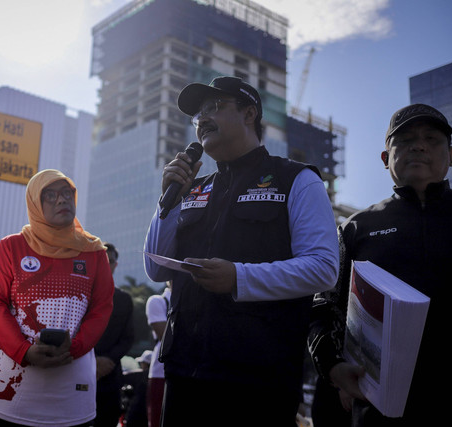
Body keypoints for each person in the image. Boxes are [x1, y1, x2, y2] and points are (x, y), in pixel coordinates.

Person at [143, 76, 339, 426]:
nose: (202, 118)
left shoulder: (296, 179)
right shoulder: (192, 187)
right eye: (198, 114)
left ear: (250, 113)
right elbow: (156, 269)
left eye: (215, 107)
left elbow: (323, 268)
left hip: (258, 379)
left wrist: (239, 277)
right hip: (184, 373)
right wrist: (167, 202)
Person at [308, 103, 452, 426]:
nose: (418, 145)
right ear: (385, 158)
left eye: (431, 139)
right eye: (404, 140)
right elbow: (321, 307)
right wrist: (333, 366)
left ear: (451, 155)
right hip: (380, 408)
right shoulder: (356, 228)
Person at [0, 169, 114, 426]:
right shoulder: (12, 246)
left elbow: (101, 309)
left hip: (71, 387)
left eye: (66, 193)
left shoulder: (94, 252)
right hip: (10, 387)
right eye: (49, 195)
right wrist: (24, 351)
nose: (62, 200)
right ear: (34, 204)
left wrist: (72, 349)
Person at [94, 242, 135, 427]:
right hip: (80, 372)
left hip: (111, 377)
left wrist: (106, 362)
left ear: (115, 265)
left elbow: (128, 338)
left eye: (110, 261)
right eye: (101, 260)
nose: (106, 264)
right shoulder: (79, 294)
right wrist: (91, 361)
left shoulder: (124, 299)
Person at [144, 281, 171, 427]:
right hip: (161, 372)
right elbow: (166, 338)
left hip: (191, 371)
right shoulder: (157, 301)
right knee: (157, 420)